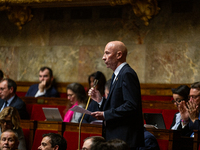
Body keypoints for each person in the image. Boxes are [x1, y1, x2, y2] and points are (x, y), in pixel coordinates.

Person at [88, 41, 144, 149]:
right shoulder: (116, 75)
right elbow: (115, 105)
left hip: (124, 138)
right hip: (116, 136)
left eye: (107, 53)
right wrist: (100, 100)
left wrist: (105, 115)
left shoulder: (127, 73)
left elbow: (131, 105)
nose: (103, 58)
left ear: (119, 55)